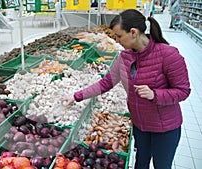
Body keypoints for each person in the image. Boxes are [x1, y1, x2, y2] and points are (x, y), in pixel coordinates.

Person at [62, 9, 190, 169]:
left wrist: (154, 94)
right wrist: (76, 96)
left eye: (119, 36)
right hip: (140, 126)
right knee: (140, 164)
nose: (116, 40)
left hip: (164, 129)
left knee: (162, 166)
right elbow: (105, 83)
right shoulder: (124, 57)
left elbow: (183, 91)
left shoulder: (168, 55)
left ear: (134, 32)